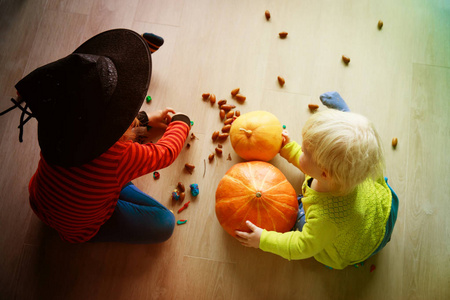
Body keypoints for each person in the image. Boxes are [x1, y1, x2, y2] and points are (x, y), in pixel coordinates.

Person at [0, 29, 190, 244]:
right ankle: (106, 201)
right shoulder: (122, 156)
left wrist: (146, 119)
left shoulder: (57, 123)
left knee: (93, 79)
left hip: (41, 203)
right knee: (164, 223)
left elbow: (96, 118)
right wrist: (181, 122)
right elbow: (165, 153)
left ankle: (139, 54)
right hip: (78, 229)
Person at [235, 92, 399, 269]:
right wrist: (289, 148)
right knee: (354, 148)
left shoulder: (324, 218)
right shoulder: (352, 171)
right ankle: (346, 120)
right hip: (383, 210)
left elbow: (301, 246)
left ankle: (346, 117)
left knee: (298, 223)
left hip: (363, 242)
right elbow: (312, 167)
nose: (301, 150)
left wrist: (263, 240)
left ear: (324, 174)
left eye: (305, 151)